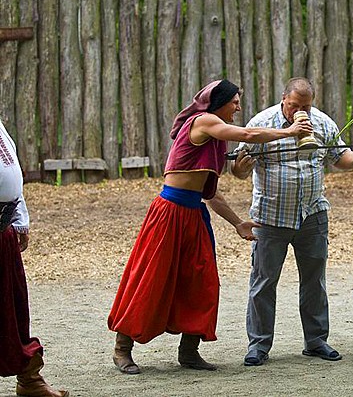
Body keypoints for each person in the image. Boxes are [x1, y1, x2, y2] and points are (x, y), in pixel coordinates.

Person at [107, 79, 312, 374]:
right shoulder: (203, 121)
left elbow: (210, 191)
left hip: (193, 214)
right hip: (168, 213)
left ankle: (189, 352)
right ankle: (122, 349)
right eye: (234, 102)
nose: (238, 107)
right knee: (151, 278)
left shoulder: (216, 139)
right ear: (218, 103)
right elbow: (249, 133)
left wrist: (237, 222)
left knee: (201, 281)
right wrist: (289, 132)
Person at [231, 77, 353, 366]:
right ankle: (258, 345)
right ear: (283, 99)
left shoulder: (322, 122)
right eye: (295, 105)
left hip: (312, 214)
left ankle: (316, 341)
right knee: (263, 282)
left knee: (314, 281)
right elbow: (239, 169)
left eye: (306, 106)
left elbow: (339, 158)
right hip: (271, 217)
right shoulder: (262, 122)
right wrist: (239, 168)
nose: (301, 111)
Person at [0, 118, 69, 396]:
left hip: (3, 228)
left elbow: (11, 168)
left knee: (14, 308)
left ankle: (29, 379)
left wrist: (19, 220)